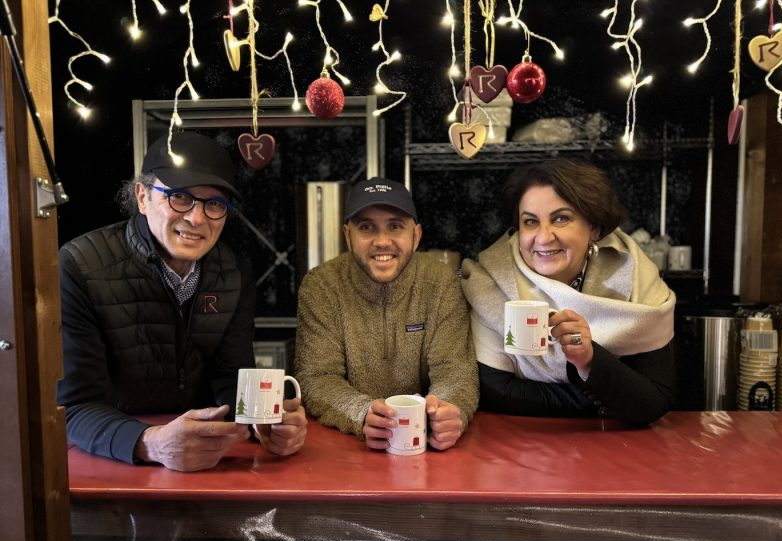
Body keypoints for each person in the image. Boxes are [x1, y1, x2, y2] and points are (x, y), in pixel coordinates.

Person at [58, 131, 307, 471]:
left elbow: (228, 376)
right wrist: (148, 443)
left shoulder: (232, 271)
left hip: (206, 454)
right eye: (179, 197)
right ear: (142, 196)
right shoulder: (80, 266)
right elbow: (75, 406)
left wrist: (263, 420)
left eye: (214, 203)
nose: (197, 218)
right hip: (109, 454)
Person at [460, 159, 675, 425]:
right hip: (526, 441)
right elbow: (497, 391)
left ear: (594, 228)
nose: (543, 237)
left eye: (561, 218)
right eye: (530, 222)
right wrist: (603, 397)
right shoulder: (490, 280)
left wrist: (589, 360)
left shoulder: (634, 273)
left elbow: (654, 399)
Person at [294, 177, 478, 450]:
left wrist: (448, 411)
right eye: (367, 227)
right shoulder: (321, 286)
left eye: (395, 226)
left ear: (415, 236)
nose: (382, 241)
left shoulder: (441, 282)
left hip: (425, 446)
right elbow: (317, 378)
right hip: (345, 448)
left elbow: (455, 370)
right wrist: (360, 413)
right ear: (348, 235)